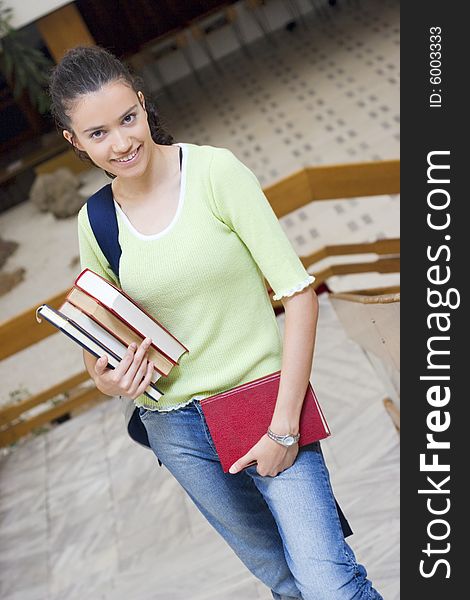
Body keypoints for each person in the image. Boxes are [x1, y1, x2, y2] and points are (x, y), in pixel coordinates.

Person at [49, 45, 383, 600]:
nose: (123, 142)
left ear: (141, 100)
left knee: (329, 583)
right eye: (99, 133)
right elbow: (97, 325)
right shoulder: (97, 219)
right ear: (75, 141)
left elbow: (299, 297)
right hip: (175, 427)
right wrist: (107, 379)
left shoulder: (214, 172)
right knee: (283, 582)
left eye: (128, 119)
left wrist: (283, 429)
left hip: (261, 403)